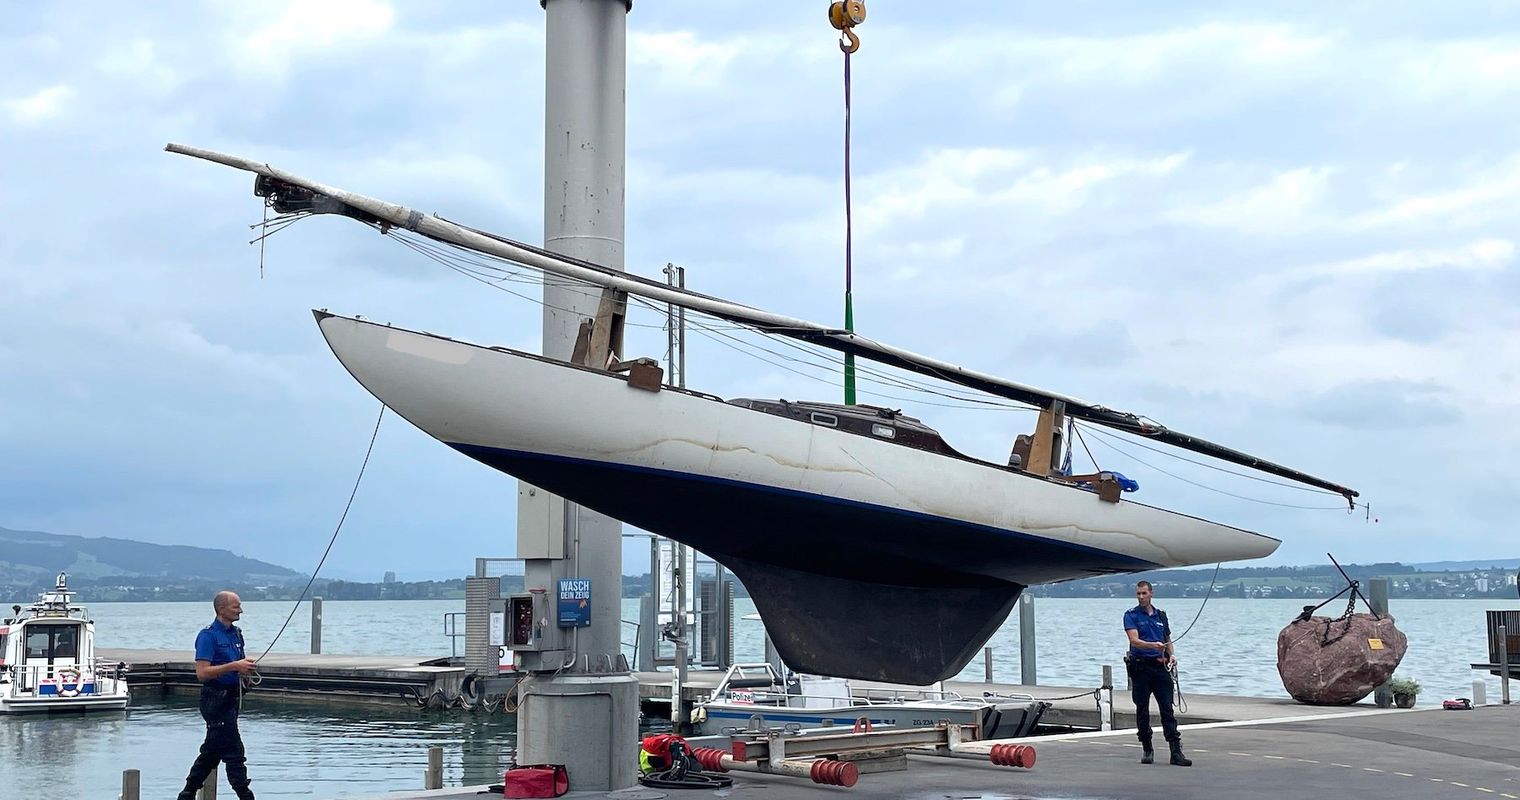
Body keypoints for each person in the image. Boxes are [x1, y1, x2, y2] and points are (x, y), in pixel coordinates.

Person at [176, 591, 260, 800]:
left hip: (232, 698)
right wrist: (234, 666)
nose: (241, 610)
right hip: (215, 698)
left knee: (212, 751)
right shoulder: (208, 636)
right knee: (234, 751)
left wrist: (245, 671)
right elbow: (202, 673)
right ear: (221, 609)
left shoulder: (237, 634)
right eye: (235, 607)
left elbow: (238, 666)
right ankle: (245, 795)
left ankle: (187, 794)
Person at [1123, 580, 1191, 767]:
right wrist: (1152, 645)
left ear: (1151, 593)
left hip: (1160, 667)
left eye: (1144, 593)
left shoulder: (1161, 615)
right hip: (1141, 667)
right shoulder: (1131, 615)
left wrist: (1172, 654)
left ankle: (1175, 751)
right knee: (1142, 709)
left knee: (1167, 709)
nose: (1141, 597)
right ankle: (1147, 747)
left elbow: (1167, 639)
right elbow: (1134, 640)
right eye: (1138, 594)